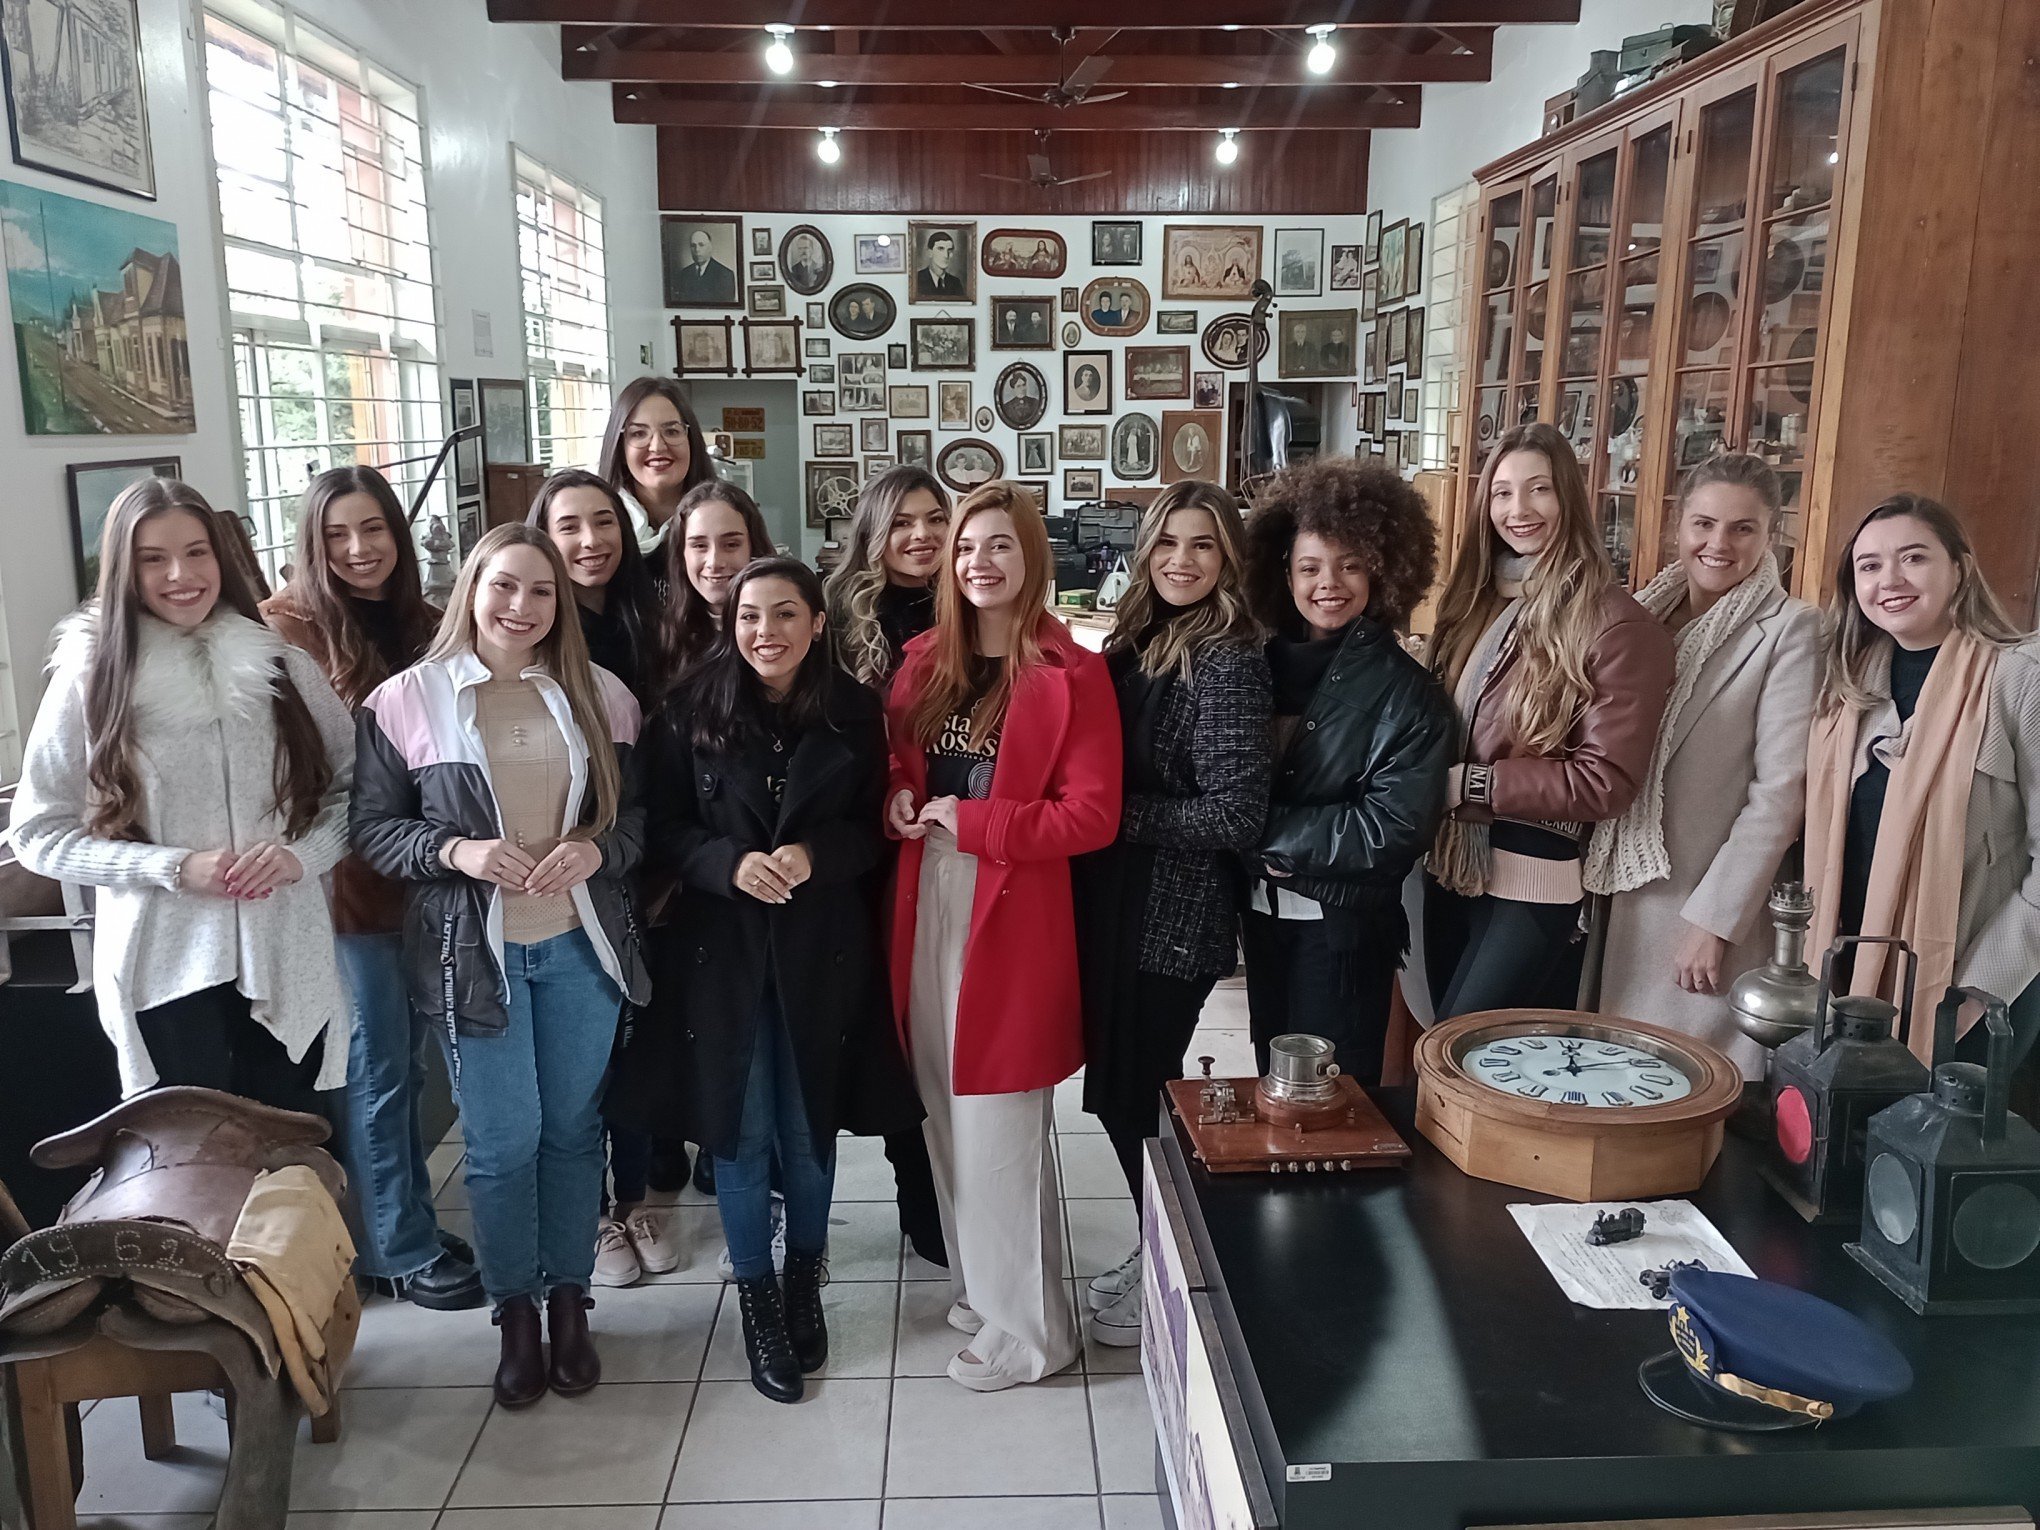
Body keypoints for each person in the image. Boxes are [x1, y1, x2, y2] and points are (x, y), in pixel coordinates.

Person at [352, 524, 649, 1409]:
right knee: (499, 1141)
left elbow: (635, 826)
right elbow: (372, 830)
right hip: (469, 957)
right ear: (469, 590)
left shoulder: (602, 697)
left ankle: (569, 1301)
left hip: (578, 949)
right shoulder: (408, 700)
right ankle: (513, 1308)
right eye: (503, 587)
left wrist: (596, 853)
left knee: (570, 1131)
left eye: (542, 592)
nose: (521, 608)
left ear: (562, 604)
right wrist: (458, 853)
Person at [642, 558, 902, 1402]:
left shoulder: (856, 712)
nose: (766, 632)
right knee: (740, 1133)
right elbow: (663, 827)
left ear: (818, 623)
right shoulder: (689, 708)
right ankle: (756, 1295)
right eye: (750, 615)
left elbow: (874, 831)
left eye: (785, 615)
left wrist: (814, 855)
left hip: (820, 949)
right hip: (723, 955)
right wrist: (728, 863)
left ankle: (803, 1276)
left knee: (809, 1129)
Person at [10, 478, 353, 1111]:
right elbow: (36, 833)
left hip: (290, 957)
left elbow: (355, 790)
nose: (181, 574)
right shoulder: (89, 683)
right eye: (153, 558)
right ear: (123, 569)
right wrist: (170, 868)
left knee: (297, 1171)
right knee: (194, 1177)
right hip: (162, 973)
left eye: (197, 552)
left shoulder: (285, 668)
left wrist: (302, 855)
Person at [886, 482, 1120, 1391]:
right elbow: (898, 770)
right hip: (923, 899)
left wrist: (976, 822)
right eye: (967, 546)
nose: (981, 561)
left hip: (1010, 913)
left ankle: (1031, 1336)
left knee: (997, 1127)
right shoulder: (922, 664)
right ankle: (990, 1290)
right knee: (943, 1110)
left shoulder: (1073, 672)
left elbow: (1091, 817)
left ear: (1032, 559)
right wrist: (898, 804)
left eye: (1001, 547)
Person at [260, 466, 480, 1309]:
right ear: (311, 545)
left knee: (419, 1071)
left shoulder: (422, 622)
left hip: (434, 878)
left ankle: (404, 1220)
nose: (359, 550)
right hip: (349, 893)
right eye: (337, 535)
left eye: (374, 530)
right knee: (379, 1070)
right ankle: (396, 1248)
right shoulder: (284, 632)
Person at [1075, 482, 1270, 1346]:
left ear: (1228, 559)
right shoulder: (1140, 640)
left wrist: (1111, 815)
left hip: (1173, 914)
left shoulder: (1229, 657)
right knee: (1124, 1085)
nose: (1182, 561)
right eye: (1167, 544)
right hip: (1116, 904)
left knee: (1136, 1090)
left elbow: (1236, 815)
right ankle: (1166, 1240)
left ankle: (1178, 1250)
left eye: (1203, 546)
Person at [1424, 422, 1675, 1019]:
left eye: (1538, 490)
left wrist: (1469, 785)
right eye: (1503, 493)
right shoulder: (1476, 602)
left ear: (1569, 498)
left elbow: (1604, 780)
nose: (1519, 510)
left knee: (1461, 1055)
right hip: (1450, 862)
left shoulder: (1617, 623)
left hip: (1532, 882)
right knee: (1445, 1049)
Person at [1589, 455, 1819, 1077]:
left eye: (1743, 529)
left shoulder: (1791, 629)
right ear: (1677, 527)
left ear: (1772, 536)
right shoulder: (1636, 615)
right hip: (1614, 889)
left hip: (1694, 902)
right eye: (1704, 524)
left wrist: (1715, 922)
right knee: (1611, 1083)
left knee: (1688, 1088)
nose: (1719, 543)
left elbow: (1780, 794)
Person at [1804, 494, 2040, 1066]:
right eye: (1870, 565)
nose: (1890, 579)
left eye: (1914, 558)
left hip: (1977, 994)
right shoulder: (1849, 687)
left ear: (1959, 567)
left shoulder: (2016, 677)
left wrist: (1983, 987)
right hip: (1855, 986)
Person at [1238, 457, 1454, 1072]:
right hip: (1259, 918)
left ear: (1383, 570)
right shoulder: (1254, 665)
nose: (1327, 583)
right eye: (1310, 567)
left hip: (1341, 933)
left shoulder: (1408, 692)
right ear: (1283, 571)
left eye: (1349, 564)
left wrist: (1253, 831)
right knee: (1271, 1089)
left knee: (1332, 1102)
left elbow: (1393, 827)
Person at [528, 468, 679, 1285]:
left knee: (634, 1038)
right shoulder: (529, 625)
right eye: (570, 526)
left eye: (604, 524)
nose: (590, 542)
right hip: (550, 867)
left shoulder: (645, 622)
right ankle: (591, 1218)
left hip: (638, 853)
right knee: (575, 1058)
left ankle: (637, 1197)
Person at [820, 466, 953, 1263]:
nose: (922, 536)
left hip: (943, 840)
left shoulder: (972, 604)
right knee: (876, 1026)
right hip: (856, 846)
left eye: (935, 519)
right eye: (902, 521)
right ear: (873, 529)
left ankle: (937, 1189)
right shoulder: (836, 614)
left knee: (929, 1024)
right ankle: (909, 1189)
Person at [665, 479, 777, 676]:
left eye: (731, 544)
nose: (715, 562)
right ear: (682, 555)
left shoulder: (783, 632)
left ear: (754, 548)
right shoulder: (665, 638)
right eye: (699, 546)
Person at [597, 377, 717, 556]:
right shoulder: (599, 530)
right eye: (638, 433)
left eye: (671, 431)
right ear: (620, 448)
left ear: (691, 441)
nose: (657, 447)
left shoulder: (727, 515)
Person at [671, 226, 736, 304]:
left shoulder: (725, 274)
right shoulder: (683, 274)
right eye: (693, 246)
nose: (697, 250)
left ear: (710, 247)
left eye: (701, 245)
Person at [915, 231, 964, 299]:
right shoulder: (917, 279)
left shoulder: (956, 283)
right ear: (930, 252)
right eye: (941, 249)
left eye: (949, 250)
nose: (946, 255)